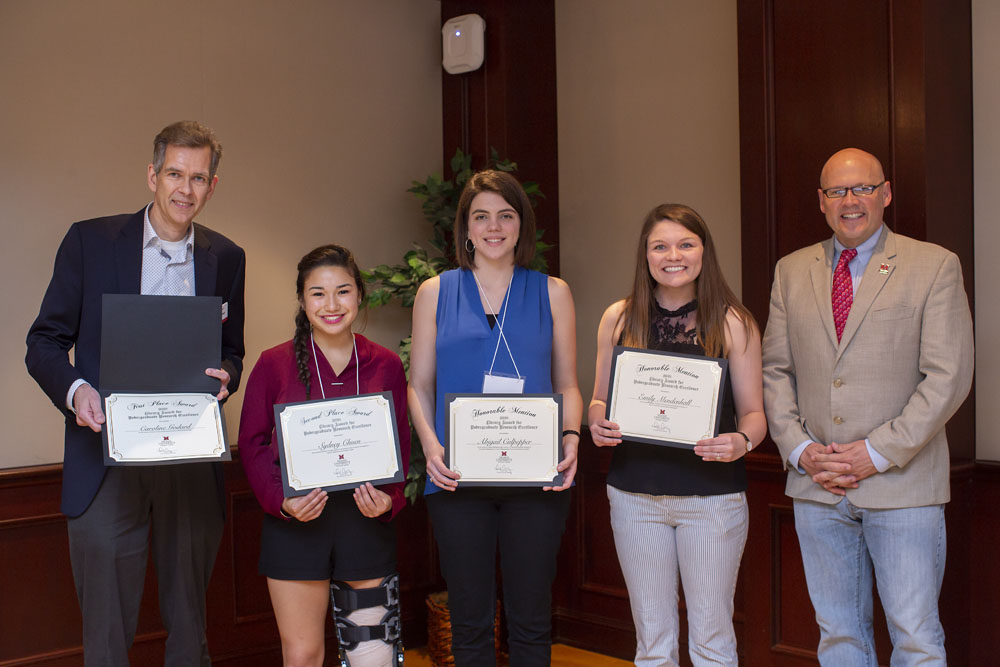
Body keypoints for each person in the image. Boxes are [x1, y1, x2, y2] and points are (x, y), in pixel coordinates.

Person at [25, 121, 245, 665]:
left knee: (191, 632)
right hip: (105, 462)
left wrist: (227, 375)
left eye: (198, 178)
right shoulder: (90, 242)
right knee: (105, 637)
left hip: (191, 466)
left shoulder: (228, 256)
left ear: (212, 186)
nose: (184, 189)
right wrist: (77, 391)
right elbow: (44, 342)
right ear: (152, 175)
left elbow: (232, 351)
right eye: (174, 173)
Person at [762, 148, 974, 665]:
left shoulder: (934, 265)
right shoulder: (791, 270)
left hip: (903, 484)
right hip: (817, 485)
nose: (849, 201)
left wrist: (875, 453)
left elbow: (948, 378)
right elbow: (775, 371)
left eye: (862, 188)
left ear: (886, 193)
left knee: (916, 637)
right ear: (821, 201)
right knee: (838, 636)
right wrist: (802, 449)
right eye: (836, 191)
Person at [408, 169, 582, 666]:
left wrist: (570, 437)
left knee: (531, 622)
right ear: (465, 227)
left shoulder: (553, 292)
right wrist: (431, 447)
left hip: (535, 480)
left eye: (506, 215)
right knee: (469, 623)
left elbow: (567, 381)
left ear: (522, 226)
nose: (494, 227)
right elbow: (418, 385)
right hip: (457, 479)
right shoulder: (435, 292)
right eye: (481, 216)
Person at [588, 204, 766, 666]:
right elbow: (598, 400)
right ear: (645, 255)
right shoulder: (619, 318)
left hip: (711, 499)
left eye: (686, 244)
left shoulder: (733, 322)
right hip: (634, 496)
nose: (674, 255)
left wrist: (741, 442)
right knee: (652, 642)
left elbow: (754, 415)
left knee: (711, 638)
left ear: (704, 252)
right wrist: (596, 421)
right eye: (660, 246)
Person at [238, 244, 410, 667]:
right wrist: (283, 500)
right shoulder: (273, 364)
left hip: (364, 520)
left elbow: (400, 444)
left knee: (374, 655)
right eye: (318, 293)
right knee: (303, 655)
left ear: (359, 296)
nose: (331, 305)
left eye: (343, 292)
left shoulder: (385, 364)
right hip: (296, 524)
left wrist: (390, 498)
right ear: (302, 300)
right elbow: (253, 442)